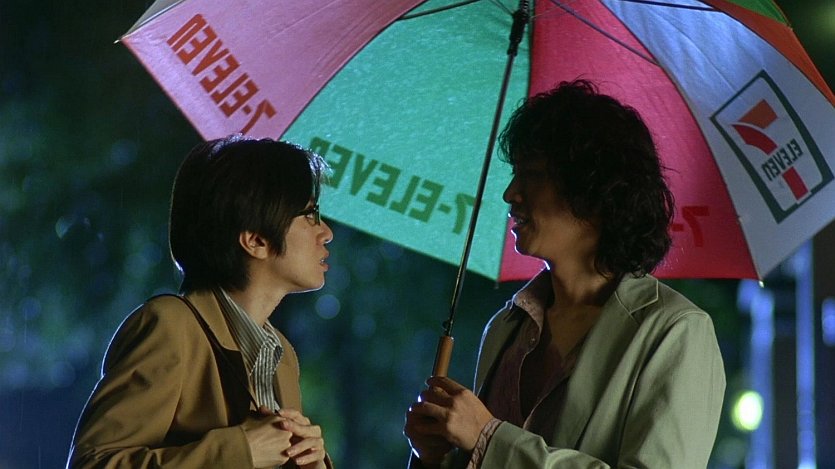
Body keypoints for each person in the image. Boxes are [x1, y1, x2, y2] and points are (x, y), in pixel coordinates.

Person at [404, 80, 726, 468]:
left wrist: (490, 438)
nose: (511, 193)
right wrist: (433, 458)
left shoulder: (675, 332)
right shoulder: (506, 328)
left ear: (594, 191)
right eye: (516, 173)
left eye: (532, 174)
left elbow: (490, 444)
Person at [67, 135, 334, 468]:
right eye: (309, 215)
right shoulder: (171, 327)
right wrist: (240, 450)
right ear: (255, 240)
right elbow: (93, 463)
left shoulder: (283, 357)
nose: (326, 233)